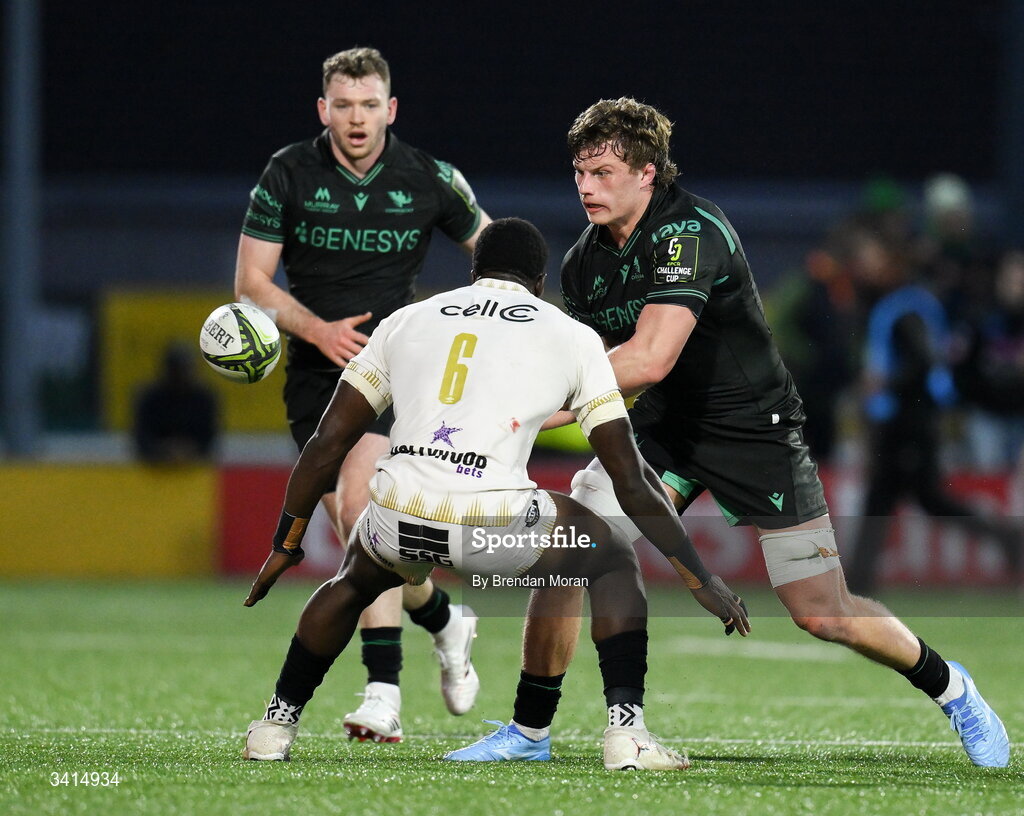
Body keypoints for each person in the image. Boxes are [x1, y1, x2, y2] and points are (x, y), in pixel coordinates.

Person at [446, 98, 1009, 768]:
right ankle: (529, 730)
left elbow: (647, 358)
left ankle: (953, 688)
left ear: (647, 172)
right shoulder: (582, 264)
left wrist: (527, 407)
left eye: (601, 171)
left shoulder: (691, 231)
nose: (585, 186)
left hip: (753, 433)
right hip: (662, 428)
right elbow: (600, 376)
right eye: (578, 171)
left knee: (821, 610)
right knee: (570, 551)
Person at [240, 218, 750, 769]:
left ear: (474, 271)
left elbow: (326, 444)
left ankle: (274, 726)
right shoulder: (571, 336)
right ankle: (626, 734)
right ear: (538, 281)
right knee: (609, 556)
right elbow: (629, 476)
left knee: (354, 580)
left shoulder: (407, 320)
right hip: (490, 526)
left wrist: (286, 542)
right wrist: (700, 577)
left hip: (396, 515)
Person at [234, 47, 492, 741]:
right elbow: (252, 282)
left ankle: (382, 693)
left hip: (397, 377)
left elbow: (496, 253)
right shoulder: (288, 171)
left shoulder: (428, 177)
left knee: (359, 508)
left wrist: (476, 322)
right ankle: (444, 619)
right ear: (324, 109)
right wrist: (315, 329)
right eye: (343, 105)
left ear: (391, 109)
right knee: (368, 541)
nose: (356, 117)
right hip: (316, 382)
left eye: (369, 104)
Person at [844, 226, 1021, 594]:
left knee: (920, 498)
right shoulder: (894, 301)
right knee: (888, 497)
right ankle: (856, 583)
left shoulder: (905, 305)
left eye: (869, 257)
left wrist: (883, 384)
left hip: (910, 420)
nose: (861, 265)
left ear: (890, 260)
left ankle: (1010, 538)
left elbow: (922, 362)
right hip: (901, 420)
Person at [133, 342, 218, 463]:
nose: (181, 377)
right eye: (176, 371)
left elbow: (209, 438)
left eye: (184, 370)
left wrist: (189, 450)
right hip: (153, 468)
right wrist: (163, 450)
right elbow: (141, 437)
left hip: (197, 469)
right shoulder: (150, 398)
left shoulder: (204, 399)